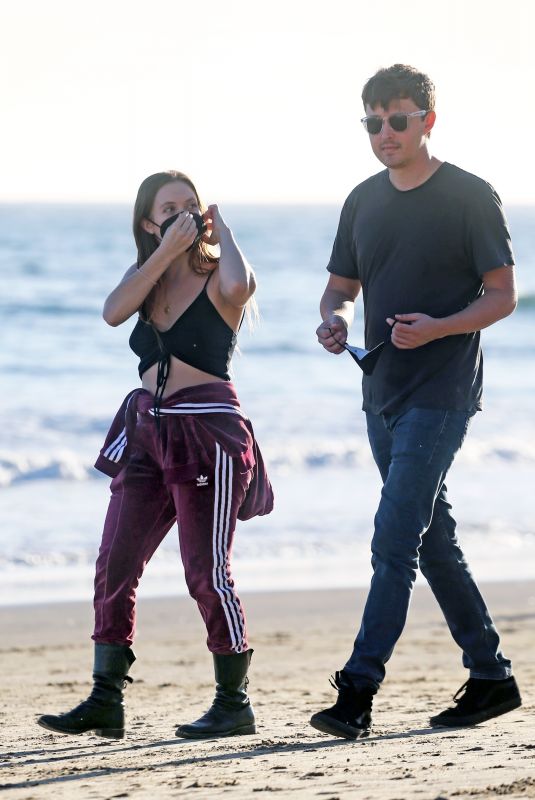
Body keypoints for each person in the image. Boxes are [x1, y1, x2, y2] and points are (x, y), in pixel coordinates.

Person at [310, 65, 521, 740]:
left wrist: (436, 326)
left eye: (396, 120)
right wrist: (333, 319)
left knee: (394, 540)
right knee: (434, 545)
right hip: (379, 393)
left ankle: (357, 690)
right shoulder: (362, 199)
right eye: (372, 123)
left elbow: (500, 295)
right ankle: (490, 676)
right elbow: (339, 285)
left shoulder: (467, 196)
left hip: (443, 392)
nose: (384, 134)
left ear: (427, 120)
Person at [37, 170, 273, 740]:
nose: (183, 214)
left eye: (190, 205)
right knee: (115, 563)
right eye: (169, 208)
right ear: (148, 221)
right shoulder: (142, 276)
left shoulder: (216, 272)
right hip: (148, 430)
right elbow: (113, 311)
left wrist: (225, 229)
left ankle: (232, 701)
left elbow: (242, 289)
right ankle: (104, 698)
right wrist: (162, 253)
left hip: (209, 433)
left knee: (204, 571)